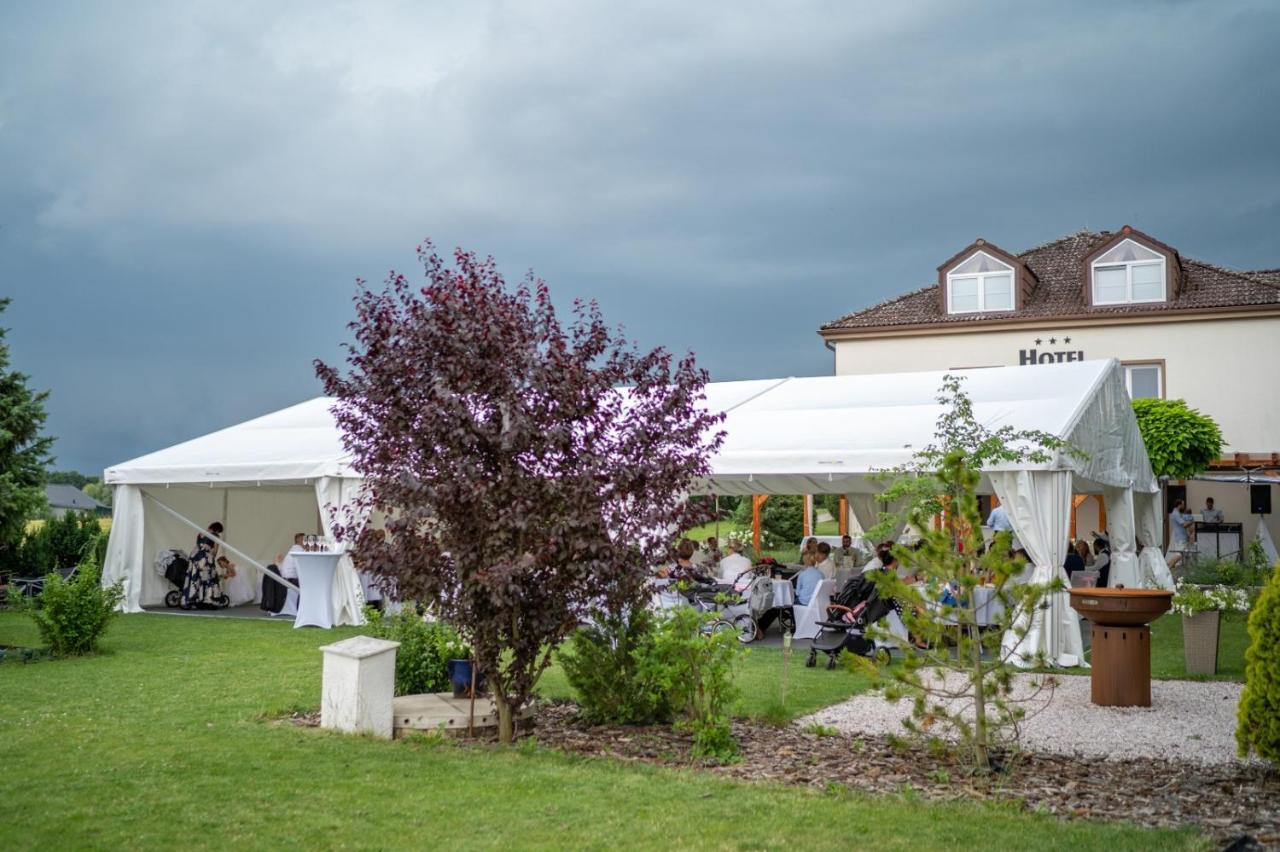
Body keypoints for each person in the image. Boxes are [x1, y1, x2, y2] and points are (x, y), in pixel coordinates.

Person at [181, 522, 225, 609]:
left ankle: (192, 600)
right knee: (206, 579)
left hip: (195, 558)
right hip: (205, 561)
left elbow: (199, 546)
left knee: (195, 579)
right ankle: (207, 601)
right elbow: (214, 551)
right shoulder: (215, 536)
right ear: (217, 530)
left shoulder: (200, 534)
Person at [1167, 499, 1195, 571]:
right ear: (1179, 505)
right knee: (1179, 555)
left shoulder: (1177, 513)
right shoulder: (1176, 514)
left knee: (1183, 555)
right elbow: (1184, 524)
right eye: (1183, 504)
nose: (1184, 506)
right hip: (1180, 538)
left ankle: (1170, 567)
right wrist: (1192, 521)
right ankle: (1167, 567)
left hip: (1181, 538)